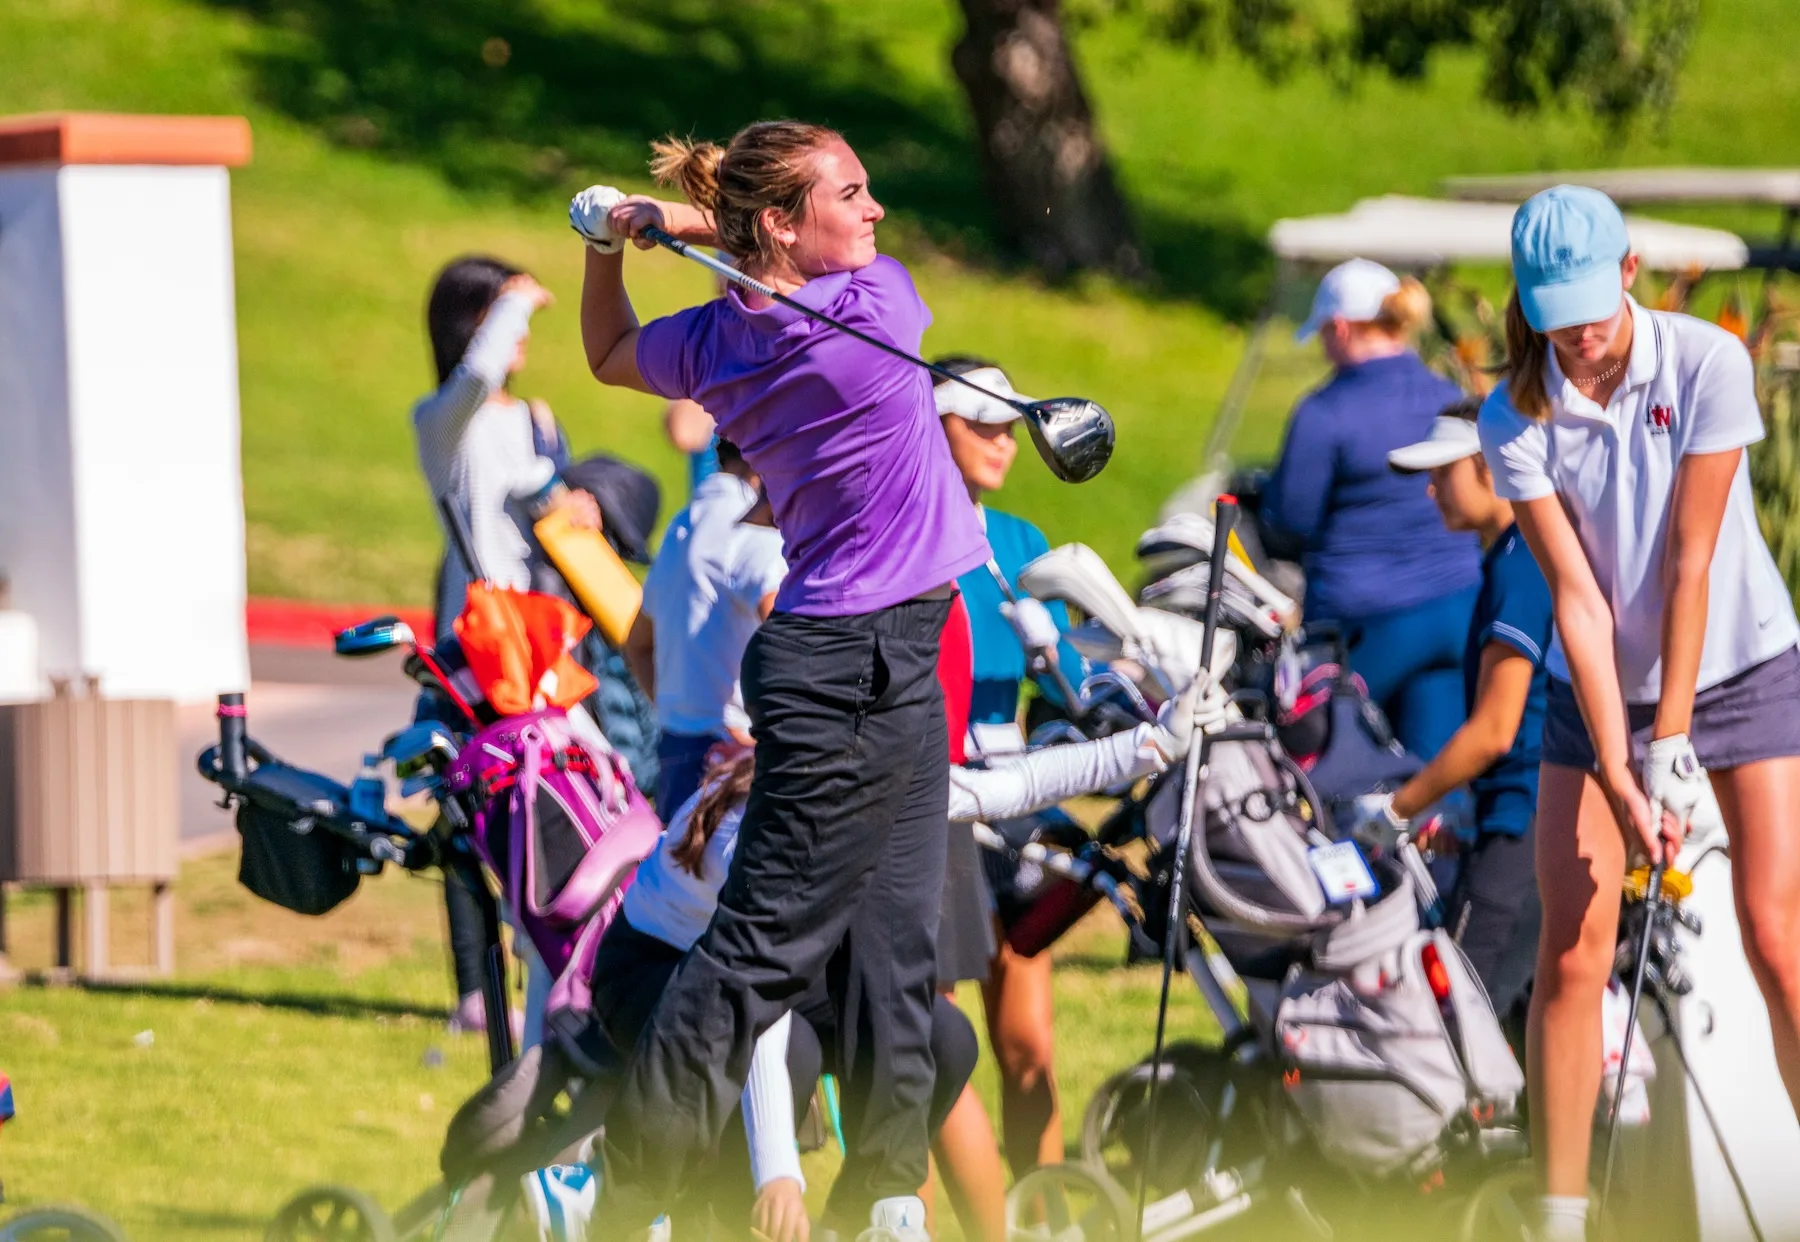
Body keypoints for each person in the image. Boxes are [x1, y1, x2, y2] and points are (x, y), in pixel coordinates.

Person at [570, 120, 992, 1239]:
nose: (877, 213)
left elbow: (609, 356)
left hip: (889, 651)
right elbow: (768, 244)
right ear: (782, 222)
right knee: (764, 945)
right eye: (852, 194)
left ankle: (889, 1200)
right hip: (843, 665)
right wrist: (679, 221)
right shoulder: (875, 312)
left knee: (902, 937)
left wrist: (617, 241)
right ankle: (633, 1194)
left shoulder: (715, 339)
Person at [1477, 185, 1800, 1242]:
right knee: (1571, 948)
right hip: (1599, 681)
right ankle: (1562, 1218)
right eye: (1552, 318)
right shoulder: (1511, 416)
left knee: (1774, 932)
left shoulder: (1708, 362)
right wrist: (1619, 765)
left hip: (1743, 665)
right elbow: (1576, 590)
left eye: (1591, 313)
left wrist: (1669, 750)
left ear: (1630, 274)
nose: (1578, 341)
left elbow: (1690, 560)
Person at [411, 255, 601, 1038]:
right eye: (496, 317)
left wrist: (581, 507)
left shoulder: (538, 419)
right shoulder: (441, 421)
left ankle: (566, 974)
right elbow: (476, 375)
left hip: (546, 649)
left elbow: (553, 511)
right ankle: (484, 992)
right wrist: (515, 303)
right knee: (477, 825)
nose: (518, 336)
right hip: (479, 657)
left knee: (574, 808)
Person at [931, 356, 1087, 1182]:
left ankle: (1050, 1214)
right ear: (934, 425)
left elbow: (1070, 691)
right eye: (981, 424)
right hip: (935, 804)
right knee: (938, 1047)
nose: (1003, 442)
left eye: (1010, 427)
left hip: (1015, 797)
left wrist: (1064, 667)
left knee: (1028, 1043)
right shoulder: (907, 535)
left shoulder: (1019, 541)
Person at [1356, 398, 1552, 1021]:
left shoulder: (1524, 565)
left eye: (1445, 472)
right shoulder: (1513, 558)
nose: (1432, 489)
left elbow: (1495, 731)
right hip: (1516, 816)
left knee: (1457, 1024)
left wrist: (1399, 808)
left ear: (1493, 468)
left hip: (1527, 825)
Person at [1263, 259, 1482, 762]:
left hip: (1366, 621)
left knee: (1329, 761)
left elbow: (1290, 521)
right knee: (1432, 774)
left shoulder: (1325, 411)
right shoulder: (1449, 395)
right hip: (1458, 607)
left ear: (1339, 327)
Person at [625, 437, 785, 813]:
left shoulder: (679, 529)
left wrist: (680, 711)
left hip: (676, 751)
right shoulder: (756, 536)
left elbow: (637, 644)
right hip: (734, 758)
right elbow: (794, 648)